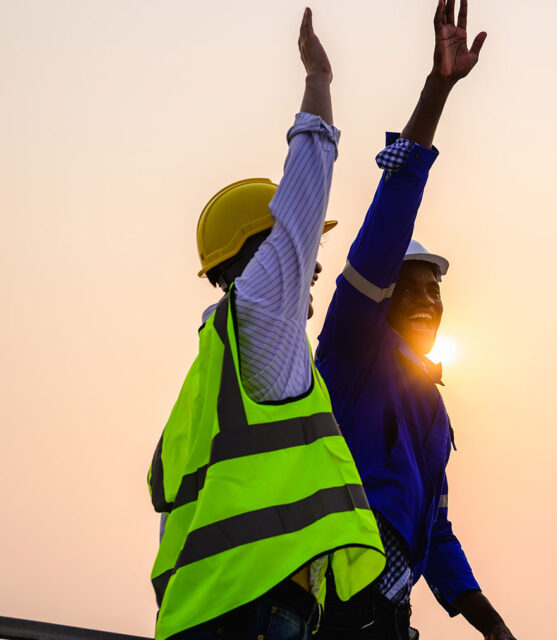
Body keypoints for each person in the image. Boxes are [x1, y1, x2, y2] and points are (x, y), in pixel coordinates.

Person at [147, 10, 384, 640]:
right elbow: (301, 205)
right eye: (302, 257)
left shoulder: (215, 366)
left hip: (206, 612)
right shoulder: (260, 318)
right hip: (254, 613)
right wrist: (319, 84)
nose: (312, 269)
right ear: (262, 258)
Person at [314, 1, 516, 639]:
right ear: (383, 294)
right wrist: (437, 91)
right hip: (332, 600)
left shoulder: (428, 402)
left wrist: (491, 624)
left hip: (387, 617)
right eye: (412, 287)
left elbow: (435, 532)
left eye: (436, 290)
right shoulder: (352, 351)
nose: (429, 300)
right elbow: (389, 219)